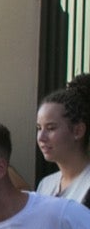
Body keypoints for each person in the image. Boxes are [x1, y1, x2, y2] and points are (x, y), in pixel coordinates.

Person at [36, 74, 90, 204]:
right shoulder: (46, 184)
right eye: (39, 128)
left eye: (51, 128)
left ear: (78, 131)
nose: (41, 137)